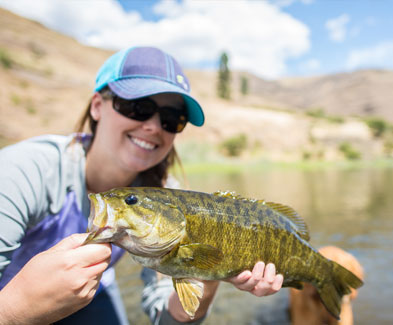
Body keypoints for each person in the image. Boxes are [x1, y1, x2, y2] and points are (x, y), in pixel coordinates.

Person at [0, 46, 283, 324]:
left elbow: (165, 317)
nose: (154, 126)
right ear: (97, 106)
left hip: (93, 294)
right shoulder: (22, 170)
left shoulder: (165, 196)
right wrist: (15, 310)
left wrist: (206, 279)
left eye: (171, 119)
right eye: (139, 107)